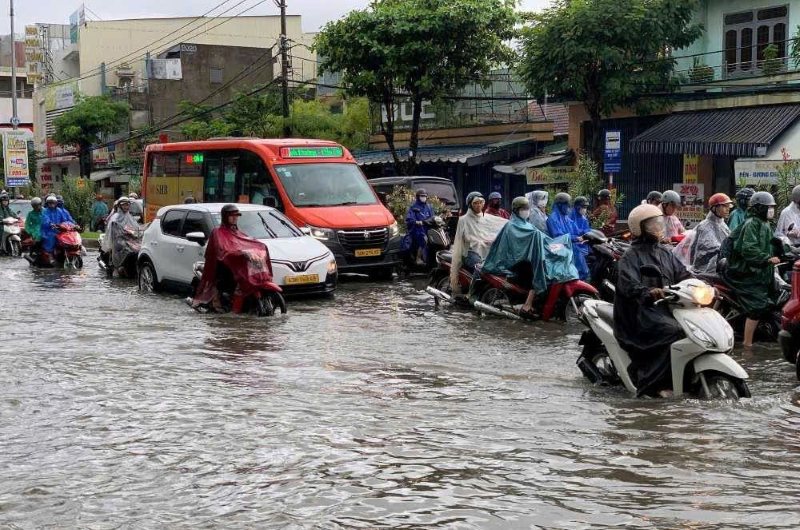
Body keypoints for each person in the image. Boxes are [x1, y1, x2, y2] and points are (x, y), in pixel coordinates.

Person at [614, 204, 691, 397]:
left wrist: (703, 284)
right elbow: (629, 285)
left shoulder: (665, 252)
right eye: (652, 225)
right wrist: (649, 291)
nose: (659, 228)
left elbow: (683, 274)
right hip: (638, 312)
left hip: (664, 309)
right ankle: (651, 385)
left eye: (659, 223)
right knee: (673, 331)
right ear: (639, 228)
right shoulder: (630, 256)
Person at [482, 196, 578, 317]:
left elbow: (544, 239)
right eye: (524, 208)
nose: (527, 211)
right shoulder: (512, 226)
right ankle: (527, 305)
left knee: (546, 264)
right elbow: (520, 245)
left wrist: (560, 243)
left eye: (528, 208)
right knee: (538, 271)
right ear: (517, 210)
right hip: (516, 262)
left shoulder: (526, 224)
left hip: (524, 259)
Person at [191, 204, 275, 312]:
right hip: (222, 267)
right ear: (225, 216)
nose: (235, 218)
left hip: (236, 266)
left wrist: (260, 248)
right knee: (223, 288)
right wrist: (238, 253)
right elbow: (222, 249)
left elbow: (248, 242)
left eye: (236, 216)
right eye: (232, 216)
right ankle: (218, 305)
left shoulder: (238, 232)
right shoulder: (217, 232)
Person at [725, 191, 781, 348]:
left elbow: (772, 242)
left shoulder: (765, 224)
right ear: (759, 208)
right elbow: (749, 248)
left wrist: (786, 250)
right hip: (747, 272)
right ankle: (747, 344)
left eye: (772, 207)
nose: (771, 210)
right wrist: (766, 258)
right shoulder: (751, 224)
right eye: (768, 207)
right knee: (757, 306)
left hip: (761, 270)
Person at [449, 191, 507, 292]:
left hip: (485, 251)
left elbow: (502, 224)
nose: (478, 205)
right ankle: (472, 293)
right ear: (470, 205)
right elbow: (464, 237)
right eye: (475, 203)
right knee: (480, 268)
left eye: (480, 202)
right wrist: (479, 241)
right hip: (469, 252)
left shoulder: (485, 218)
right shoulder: (463, 220)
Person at [547, 193, 589, 280]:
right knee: (578, 257)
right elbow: (558, 236)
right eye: (567, 206)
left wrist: (587, 233)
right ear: (560, 205)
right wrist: (575, 238)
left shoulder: (565, 217)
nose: (569, 208)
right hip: (559, 247)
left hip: (568, 244)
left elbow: (575, 229)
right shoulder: (553, 218)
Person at [690, 193, 733, 275]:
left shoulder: (722, 224)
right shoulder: (705, 226)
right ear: (714, 208)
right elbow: (709, 246)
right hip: (705, 269)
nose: (728, 209)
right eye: (724, 206)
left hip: (720, 265)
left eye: (728, 206)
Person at [107, 196, 140, 276]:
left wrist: (138, 232)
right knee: (124, 248)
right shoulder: (115, 217)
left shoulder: (131, 217)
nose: (126, 207)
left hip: (130, 239)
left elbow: (136, 228)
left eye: (127, 205)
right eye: (124, 205)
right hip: (119, 240)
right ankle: (117, 266)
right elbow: (114, 230)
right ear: (120, 206)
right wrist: (123, 232)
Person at [405, 188, 435, 266]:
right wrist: (416, 222)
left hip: (427, 228)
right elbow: (409, 219)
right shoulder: (413, 207)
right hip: (417, 229)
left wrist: (431, 221)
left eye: (425, 196)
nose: (424, 197)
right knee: (423, 238)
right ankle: (418, 258)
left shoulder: (429, 207)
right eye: (422, 196)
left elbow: (433, 217)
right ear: (418, 197)